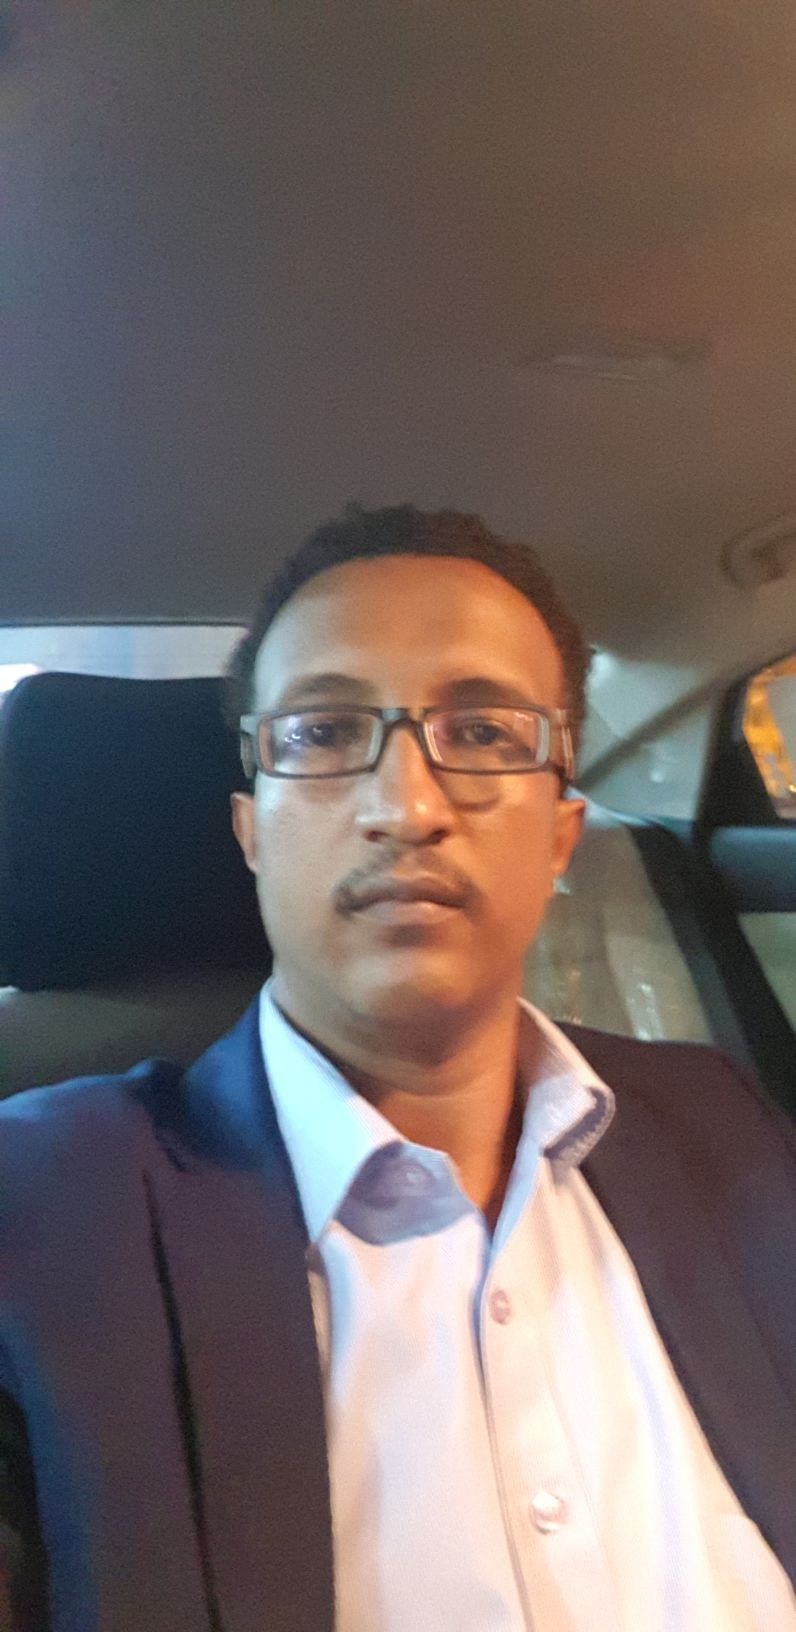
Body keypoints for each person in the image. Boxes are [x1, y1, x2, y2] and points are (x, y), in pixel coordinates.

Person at [1, 504, 794, 1632]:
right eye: (324, 733)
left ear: (560, 834)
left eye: (483, 732)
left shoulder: (724, 1125)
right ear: (251, 830)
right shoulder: (43, 1207)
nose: (406, 808)